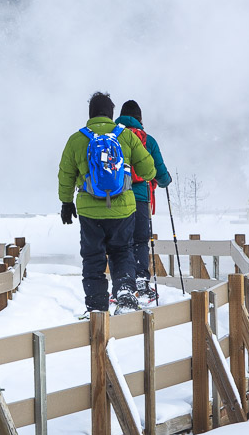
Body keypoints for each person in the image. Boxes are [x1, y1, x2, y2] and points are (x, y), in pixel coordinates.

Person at [58, 92, 156, 315]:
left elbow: (65, 174)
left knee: (93, 257)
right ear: (111, 114)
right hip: (123, 209)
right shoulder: (126, 136)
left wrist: (66, 202)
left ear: (91, 113)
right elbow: (149, 170)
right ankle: (124, 294)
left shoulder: (76, 139)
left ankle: (96, 307)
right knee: (122, 251)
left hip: (89, 212)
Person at [115, 100, 172, 304]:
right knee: (140, 241)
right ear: (139, 119)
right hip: (140, 198)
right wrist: (166, 180)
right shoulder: (148, 140)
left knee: (122, 243)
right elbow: (159, 171)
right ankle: (141, 280)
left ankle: (124, 284)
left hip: (117, 198)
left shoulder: (113, 138)